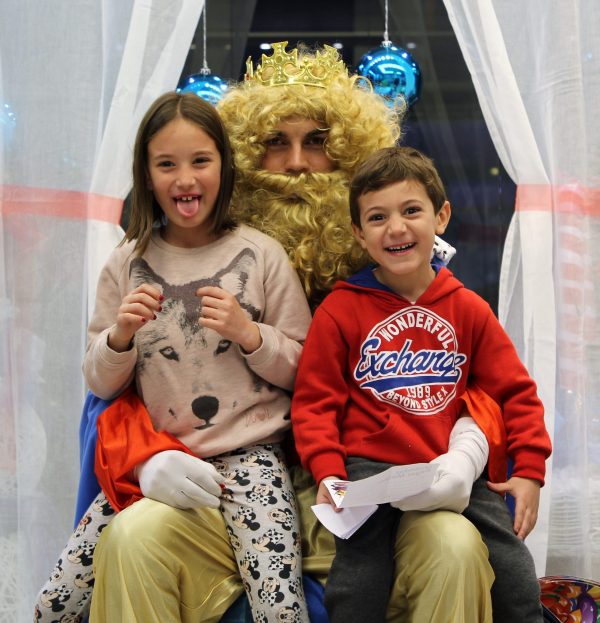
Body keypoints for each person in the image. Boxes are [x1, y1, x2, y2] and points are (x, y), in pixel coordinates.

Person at [37, 43, 495, 623]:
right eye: (276, 142)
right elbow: (114, 390)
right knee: (132, 538)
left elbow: (480, 379)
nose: (298, 164)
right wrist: (146, 456)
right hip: (215, 484)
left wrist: (466, 450)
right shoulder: (161, 263)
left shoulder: (406, 265)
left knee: (455, 547)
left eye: (319, 141)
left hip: (378, 491)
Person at [35, 90, 314, 623]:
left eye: (200, 161)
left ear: (224, 167)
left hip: (251, 459)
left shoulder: (261, 255)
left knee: (280, 610)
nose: (185, 178)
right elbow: (99, 382)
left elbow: (304, 369)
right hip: (157, 460)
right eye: (167, 164)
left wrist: (250, 335)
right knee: (54, 606)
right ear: (146, 175)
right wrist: (120, 337)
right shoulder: (126, 262)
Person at [291, 145, 553, 623]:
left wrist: (530, 470)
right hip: (369, 471)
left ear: (441, 216)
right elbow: (314, 405)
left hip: (451, 468)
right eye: (377, 217)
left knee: (514, 570)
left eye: (411, 210)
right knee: (357, 582)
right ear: (359, 232)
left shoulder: (468, 308)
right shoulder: (340, 310)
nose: (396, 228)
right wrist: (327, 471)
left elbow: (515, 392)